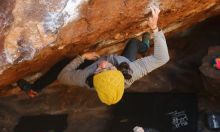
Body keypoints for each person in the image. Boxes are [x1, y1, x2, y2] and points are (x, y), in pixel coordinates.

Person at [18, 5, 169, 105]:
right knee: (134, 43)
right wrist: (155, 28)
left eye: (99, 71)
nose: (102, 65)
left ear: (95, 80)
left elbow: (62, 76)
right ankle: (144, 46)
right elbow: (162, 58)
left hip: (90, 66)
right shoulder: (131, 70)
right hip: (123, 62)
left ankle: (35, 89)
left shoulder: (85, 78)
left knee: (62, 64)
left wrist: (82, 57)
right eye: (108, 68)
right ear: (119, 72)